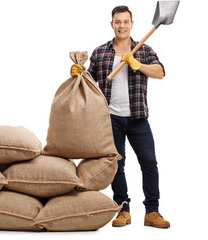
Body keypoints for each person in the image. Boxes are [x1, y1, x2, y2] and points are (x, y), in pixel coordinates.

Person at [71, 5, 170, 228]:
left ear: (131, 24)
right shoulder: (101, 52)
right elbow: (89, 80)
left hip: (138, 118)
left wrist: (138, 64)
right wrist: (78, 73)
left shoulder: (143, 50)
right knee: (117, 165)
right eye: (118, 22)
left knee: (149, 163)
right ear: (112, 24)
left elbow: (160, 72)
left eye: (126, 22)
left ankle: (152, 212)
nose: (122, 26)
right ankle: (122, 209)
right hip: (111, 119)